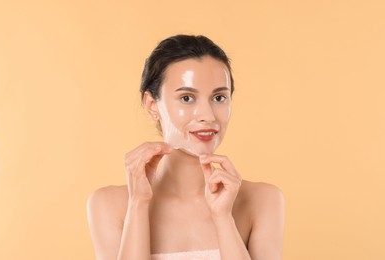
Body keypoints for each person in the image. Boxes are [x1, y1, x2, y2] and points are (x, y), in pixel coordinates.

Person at [87, 34, 285, 260]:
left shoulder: (263, 200)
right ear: (152, 105)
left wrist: (223, 218)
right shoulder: (108, 205)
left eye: (219, 98)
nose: (207, 116)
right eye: (187, 98)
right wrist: (138, 205)